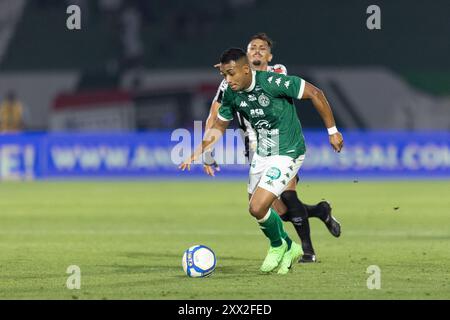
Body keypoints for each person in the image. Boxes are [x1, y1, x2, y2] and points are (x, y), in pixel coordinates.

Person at [180, 48, 344, 274]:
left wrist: (333, 131)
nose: (228, 80)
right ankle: (287, 245)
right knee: (256, 209)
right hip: (263, 152)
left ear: (246, 70)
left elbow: (316, 94)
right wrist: (200, 150)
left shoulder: (273, 82)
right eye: (225, 75)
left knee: (259, 205)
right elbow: (219, 124)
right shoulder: (231, 92)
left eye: (231, 74)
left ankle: (282, 245)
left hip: (288, 150)